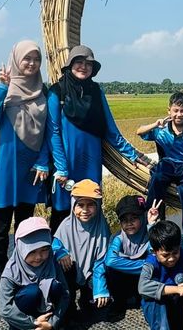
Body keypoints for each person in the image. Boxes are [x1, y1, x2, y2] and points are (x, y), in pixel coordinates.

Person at [47, 45, 153, 231]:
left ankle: (92, 256)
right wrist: (61, 167)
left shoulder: (96, 91)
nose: (83, 66)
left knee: (91, 207)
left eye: (88, 64)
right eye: (79, 62)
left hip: (90, 161)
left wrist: (134, 155)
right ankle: (58, 256)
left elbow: (111, 131)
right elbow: (53, 132)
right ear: (69, 65)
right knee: (63, 212)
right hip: (67, 162)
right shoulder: (57, 92)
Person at [0, 39, 51, 290]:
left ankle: (24, 273)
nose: (32, 64)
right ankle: (0, 279)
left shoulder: (43, 91)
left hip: (30, 171)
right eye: (27, 59)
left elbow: (47, 133)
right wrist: (2, 87)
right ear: (16, 60)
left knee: (25, 227)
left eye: (36, 59)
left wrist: (44, 162)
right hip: (4, 169)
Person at [0, 216, 71, 330]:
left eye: (44, 250)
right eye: (32, 252)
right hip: (24, 312)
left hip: (48, 314)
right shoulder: (11, 272)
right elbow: (4, 308)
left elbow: (65, 294)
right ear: (20, 248)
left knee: (55, 285)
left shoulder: (51, 261)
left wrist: (53, 321)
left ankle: (51, 325)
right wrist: (33, 323)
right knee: (32, 291)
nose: (38, 257)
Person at [138, 92, 183, 221]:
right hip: (167, 163)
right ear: (169, 111)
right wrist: (155, 124)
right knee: (157, 179)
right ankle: (154, 220)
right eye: (175, 110)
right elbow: (139, 131)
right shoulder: (161, 129)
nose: (179, 114)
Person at [54, 179, 111, 318]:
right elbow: (55, 246)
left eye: (91, 205)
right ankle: (69, 303)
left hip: (92, 273)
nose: (85, 210)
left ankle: (87, 297)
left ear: (98, 206)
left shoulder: (102, 228)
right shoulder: (66, 226)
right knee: (62, 266)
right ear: (73, 206)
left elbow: (102, 260)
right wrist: (61, 253)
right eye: (80, 205)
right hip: (71, 271)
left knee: (103, 309)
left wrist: (100, 288)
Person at [104, 194, 162, 319]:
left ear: (142, 217)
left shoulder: (150, 232)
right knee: (111, 270)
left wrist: (151, 225)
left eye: (134, 218)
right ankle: (119, 303)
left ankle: (144, 298)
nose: (129, 223)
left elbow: (157, 254)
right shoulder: (118, 238)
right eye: (125, 220)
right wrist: (145, 265)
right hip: (127, 277)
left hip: (145, 278)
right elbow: (110, 261)